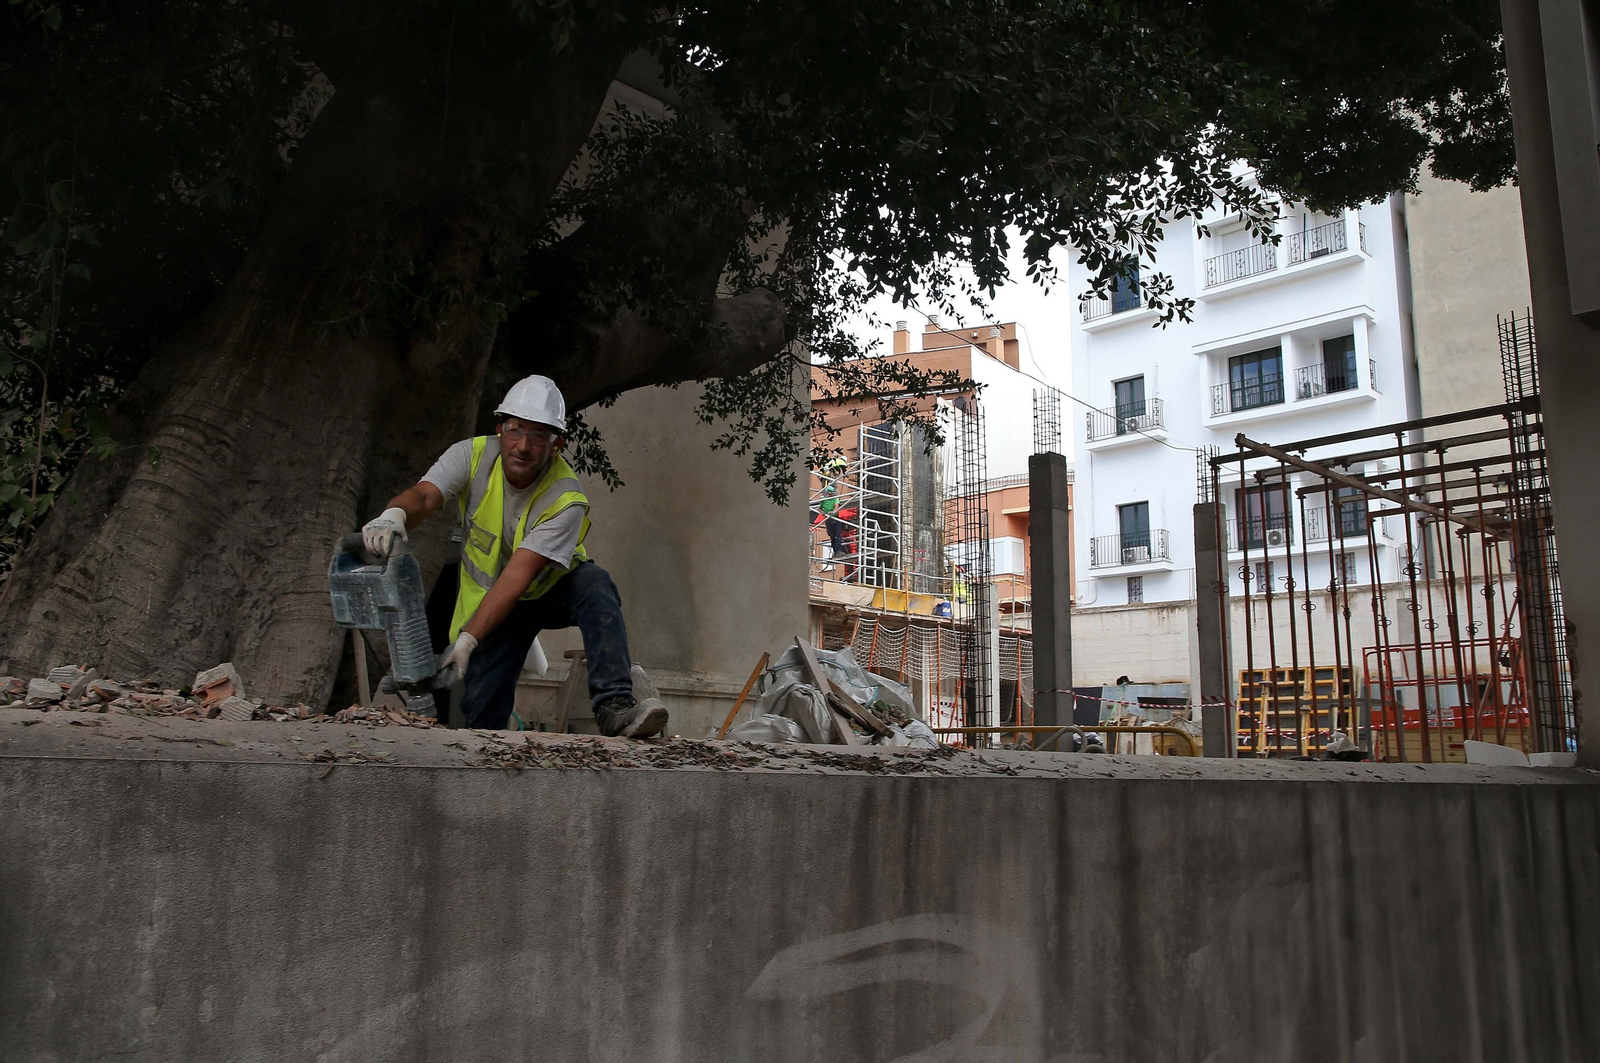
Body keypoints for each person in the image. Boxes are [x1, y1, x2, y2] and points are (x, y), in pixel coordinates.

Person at [360, 375, 668, 738]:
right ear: (500, 429)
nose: (523, 445)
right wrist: (394, 515)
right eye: (515, 429)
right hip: (498, 606)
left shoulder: (566, 498)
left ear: (556, 445)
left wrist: (467, 639)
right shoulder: (470, 455)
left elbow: (518, 576)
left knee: (596, 586)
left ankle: (614, 707)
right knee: (483, 716)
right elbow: (425, 496)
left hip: (550, 590)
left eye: (539, 435)